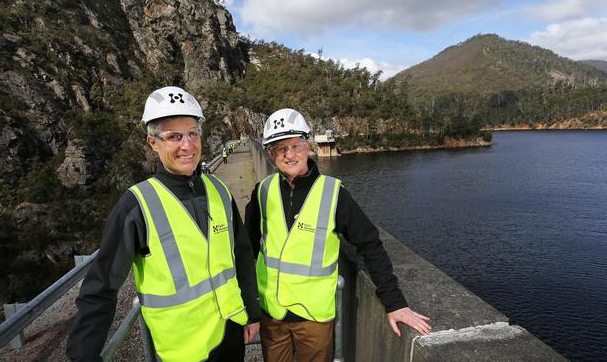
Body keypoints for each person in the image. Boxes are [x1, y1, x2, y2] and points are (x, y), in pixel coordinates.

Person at [66, 86, 260, 362]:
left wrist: (251, 313)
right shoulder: (137, 206)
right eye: (174, 137)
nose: (187, 145)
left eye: (193, 133)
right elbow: (101, 288)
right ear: (152, 143)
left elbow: (241, 255)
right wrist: (83, 355)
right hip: (180, 352)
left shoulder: (219, 190)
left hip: (230, 337)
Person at [244, 108, 431, 362]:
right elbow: (248, 247)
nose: (290, 155)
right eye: (280, 148)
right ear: (269, 153)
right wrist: (248, 306)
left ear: (307, 145)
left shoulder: (333, 194)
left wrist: (394, 302)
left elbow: (369, 244)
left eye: (296, 146)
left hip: (314, 319)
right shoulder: (262, 191)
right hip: (271, 314)